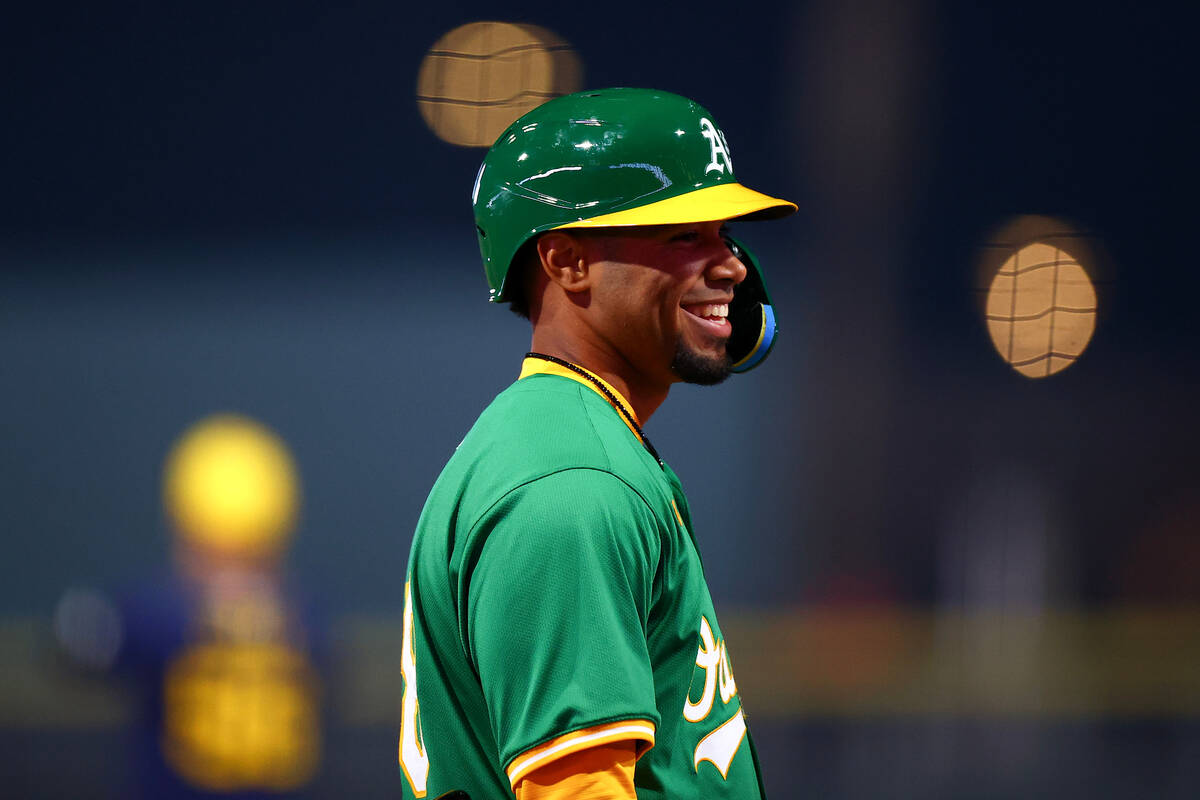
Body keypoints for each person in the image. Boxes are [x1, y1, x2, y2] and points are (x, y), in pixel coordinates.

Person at [399, 88, 795, 800]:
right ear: (568, 262)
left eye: (724, 234)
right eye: (683, 235)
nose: (733, 266)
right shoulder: (572, 484)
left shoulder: (573, 444)